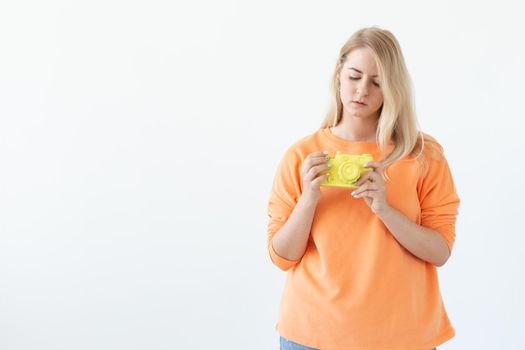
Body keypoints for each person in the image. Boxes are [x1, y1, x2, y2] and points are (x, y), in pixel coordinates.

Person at [266, 26, 460, 350]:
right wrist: (309, 198)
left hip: (403, 337)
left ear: (392, 88)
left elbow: (440, 251)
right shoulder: (301, 156)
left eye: (377, 82)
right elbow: (281, 256)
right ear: (338, 74)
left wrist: (385, 210)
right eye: (354, 76)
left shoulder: (423, 155)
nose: (361, 91)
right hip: (311, 335)